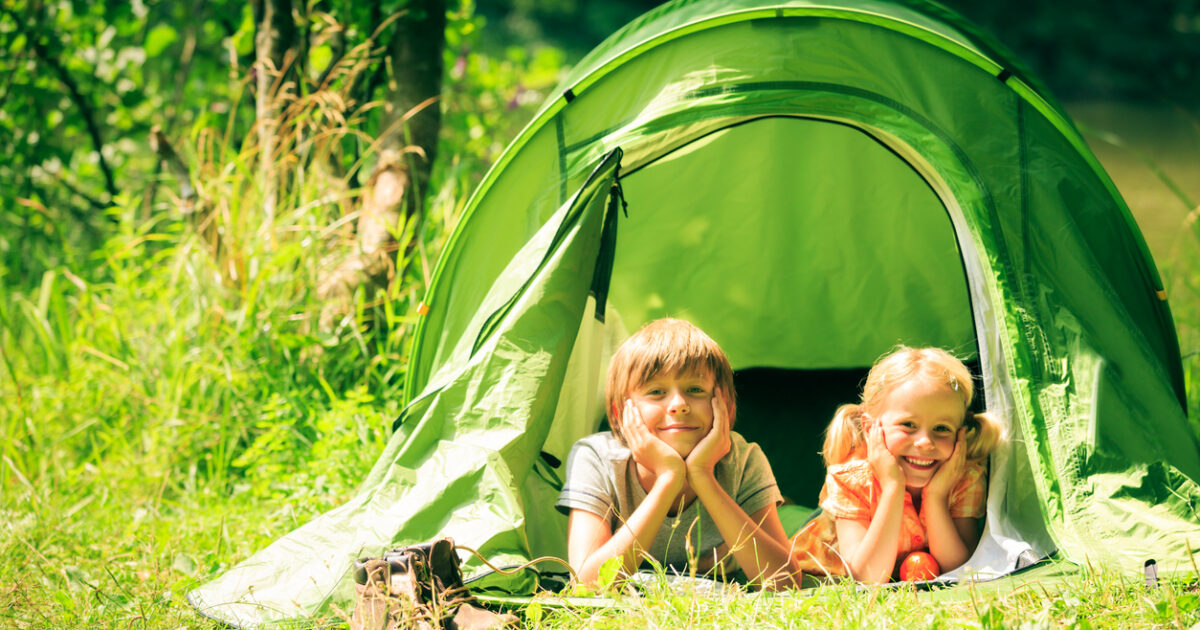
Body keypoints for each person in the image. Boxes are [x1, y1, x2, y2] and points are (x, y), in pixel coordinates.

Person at [556, 318, 798, 589]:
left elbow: (785, 583)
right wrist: (668, 479)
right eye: (656, 392)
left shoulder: (743, 459)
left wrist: (702, 475)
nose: (679, 405)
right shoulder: (596, 458)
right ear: (620, 413)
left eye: (695, 389)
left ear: (727, 406)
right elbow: (587, 584)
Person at [791, 346, 1003, 583]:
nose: (925, 442)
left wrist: (936, 497)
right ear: (871, 428)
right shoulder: (853, 480)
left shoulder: (961, 476)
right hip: (814, 560)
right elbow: (866, 578)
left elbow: (960, 569)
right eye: (908, 425)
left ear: (960, 434)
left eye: (942, 428)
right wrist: (893, 487)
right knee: (785, 516)